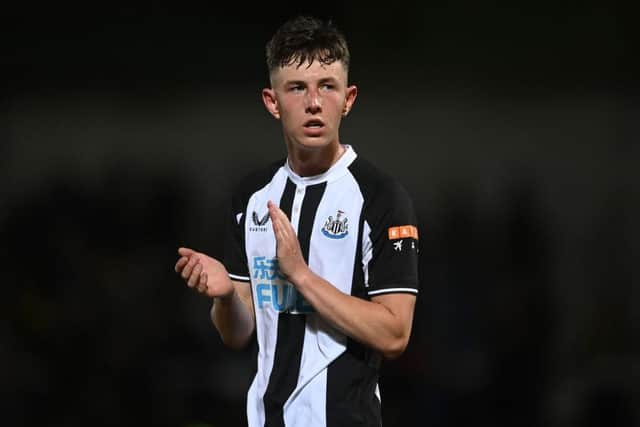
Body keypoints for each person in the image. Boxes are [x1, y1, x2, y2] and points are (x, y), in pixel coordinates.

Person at [175, 15, 419, 427]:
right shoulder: (252, 197)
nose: (313, 103)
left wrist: (301, 276)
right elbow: (237, 332)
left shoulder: (380, 197)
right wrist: (225, 297)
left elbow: (395, 333)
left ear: (348, 98)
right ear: (272, 102)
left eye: (327, 86)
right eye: (297, 88)